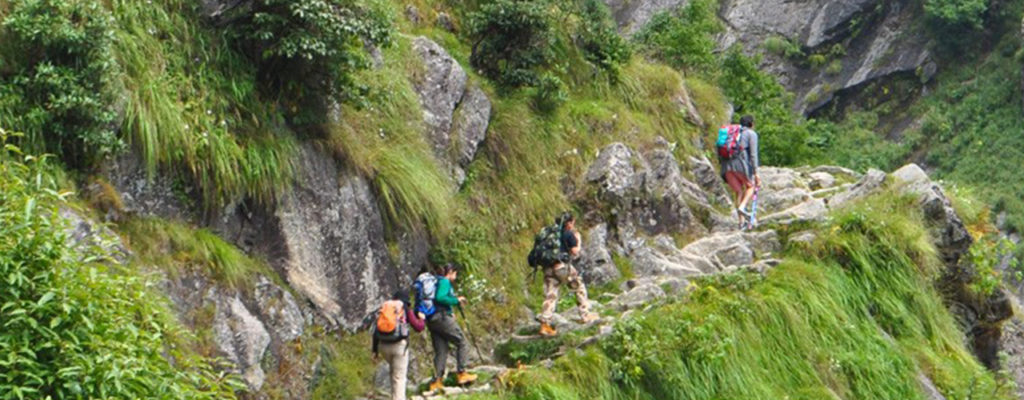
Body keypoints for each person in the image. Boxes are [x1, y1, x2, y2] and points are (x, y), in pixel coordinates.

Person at [538, 213, 598, 337]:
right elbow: (575, 252)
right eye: (572, 222)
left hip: (547, 268)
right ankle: (585, 315)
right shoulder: (568, 233)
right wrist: (578, 241)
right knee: (579, 286)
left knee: (551, 295)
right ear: (569, 223)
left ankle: (545, 325)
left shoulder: (549, 234)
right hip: (562, 268)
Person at [427, 264, 477, 391]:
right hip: (442, 318)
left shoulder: (435, 281)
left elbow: (436, 300)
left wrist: (450, 308)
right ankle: (462, 373)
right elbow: (440, 297)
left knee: (441, 350)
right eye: (455, 273)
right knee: (462, 342)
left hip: (432, 320)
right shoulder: (444, 281)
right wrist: (456, 300)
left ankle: (436, 382)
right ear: (450, 272)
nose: (455, 277)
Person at [372, 290, 424, 400]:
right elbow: (418, 327)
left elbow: (376, 330)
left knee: (393, 373)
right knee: (399, 377)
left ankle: (393, 397)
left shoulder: (386, 308)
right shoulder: (404, 308)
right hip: (399, 346)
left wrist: (374, 351)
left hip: (383, 345)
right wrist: (422, 319)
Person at [720, 115, 761, 226]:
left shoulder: (732, 134)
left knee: (739, 191)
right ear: (751, 124)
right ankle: (742, 207)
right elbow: (753, 155)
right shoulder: (751, 134)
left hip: (726, 165)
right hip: (740, 164)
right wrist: (756, 173)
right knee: (750, 186)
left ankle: (741, 222)